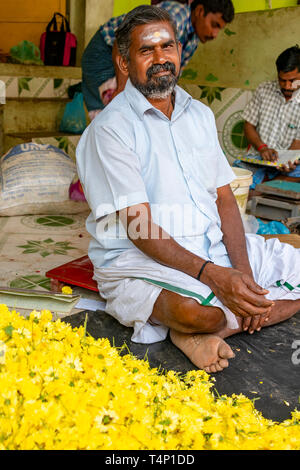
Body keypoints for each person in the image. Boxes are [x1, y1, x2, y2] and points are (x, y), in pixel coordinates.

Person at [76, 5, 300, 373]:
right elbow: (139, 227)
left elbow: (224, 199)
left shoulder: (200, 115)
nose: (161, 58)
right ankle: (198, 326)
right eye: (146, 50)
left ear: (180, 51)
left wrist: (242, 276)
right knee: (195, 312)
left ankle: (211, 328)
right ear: (124, 62)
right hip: (139, 259)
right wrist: (215, 276)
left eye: (167, 47)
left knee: (250, 293)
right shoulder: (110, 130)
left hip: (212, 248)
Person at [81, 0, 234, 120]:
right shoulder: (175, 17)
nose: (214, 34)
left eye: (219, 29)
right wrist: (121, 89)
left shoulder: (193, 40)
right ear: (200, 11)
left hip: (128, 61)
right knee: (111, 115)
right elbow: (121, 42)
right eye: (214, 25)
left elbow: (171, 75)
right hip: (105, 52)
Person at [233, 46, 300, 191]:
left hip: (291, 165)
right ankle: (268, 186)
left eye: (293, 81)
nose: (287, 86)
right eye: (282, 80)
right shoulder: (264, 90)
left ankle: (263, 188)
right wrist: (262, 148)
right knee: (236, 171)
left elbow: (297, 144)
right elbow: (248, 126)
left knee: (297, 173)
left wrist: (287, 160)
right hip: (260, 160)